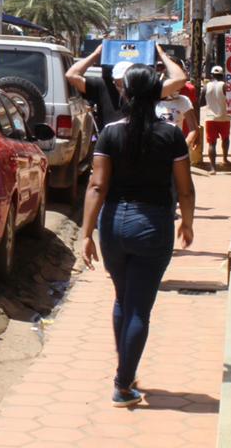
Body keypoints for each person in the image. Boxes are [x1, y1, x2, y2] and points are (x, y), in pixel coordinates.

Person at [81, 63, 195, 408]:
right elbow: (185, 189)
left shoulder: (111, 133)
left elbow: (97, 185)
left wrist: (87, 232)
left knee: (122, 300)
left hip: (114, 224)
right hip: (153, 224)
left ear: (125, 93)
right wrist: (187, 223)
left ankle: (126, 373)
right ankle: (123, 383)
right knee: (139, 309)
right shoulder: (170, 134)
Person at [66, 43, 187, 128]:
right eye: (120, 80)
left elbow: (180, 79)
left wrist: (161, 55)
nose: (125, 84)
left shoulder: (147, 88)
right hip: (112, 146)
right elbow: (71, 75)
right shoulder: (102, 86)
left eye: (127, 78)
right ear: (114, 80)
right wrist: (95, 55)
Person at [202, 66, 231, 174]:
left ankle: (213, 168)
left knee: (212, 143)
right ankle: (225, 158)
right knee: (226, 139)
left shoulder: (206, 86)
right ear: (222, 75)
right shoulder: (224, 86)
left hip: (210, 118)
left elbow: (201, 102)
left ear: (212, 75)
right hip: (224, 117)